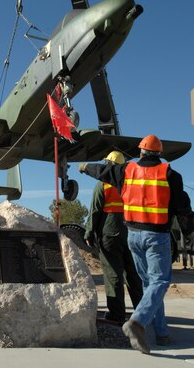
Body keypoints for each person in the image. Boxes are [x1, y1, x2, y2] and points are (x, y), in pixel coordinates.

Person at [79, 135, 194, 354]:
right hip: (156, 237)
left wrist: (84, 167)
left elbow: (102, 172)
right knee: (160, 281)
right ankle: (137, 321)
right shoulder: (170, 175)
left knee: (151, 284)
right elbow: (183, 209)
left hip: (133, 236)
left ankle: (161, 333)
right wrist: (188, 231)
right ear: (159, 154)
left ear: (141, 152)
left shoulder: (127, 172)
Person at [84, 151, 142, 325]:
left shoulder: (104, 184)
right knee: (133, 274)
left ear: (108, 164)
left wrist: (89, 232)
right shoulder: (132, 185)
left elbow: (95, 210)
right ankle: (141, 313)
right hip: (131, 232)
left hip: (110, 234)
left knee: (113, 274)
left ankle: (116, 314)